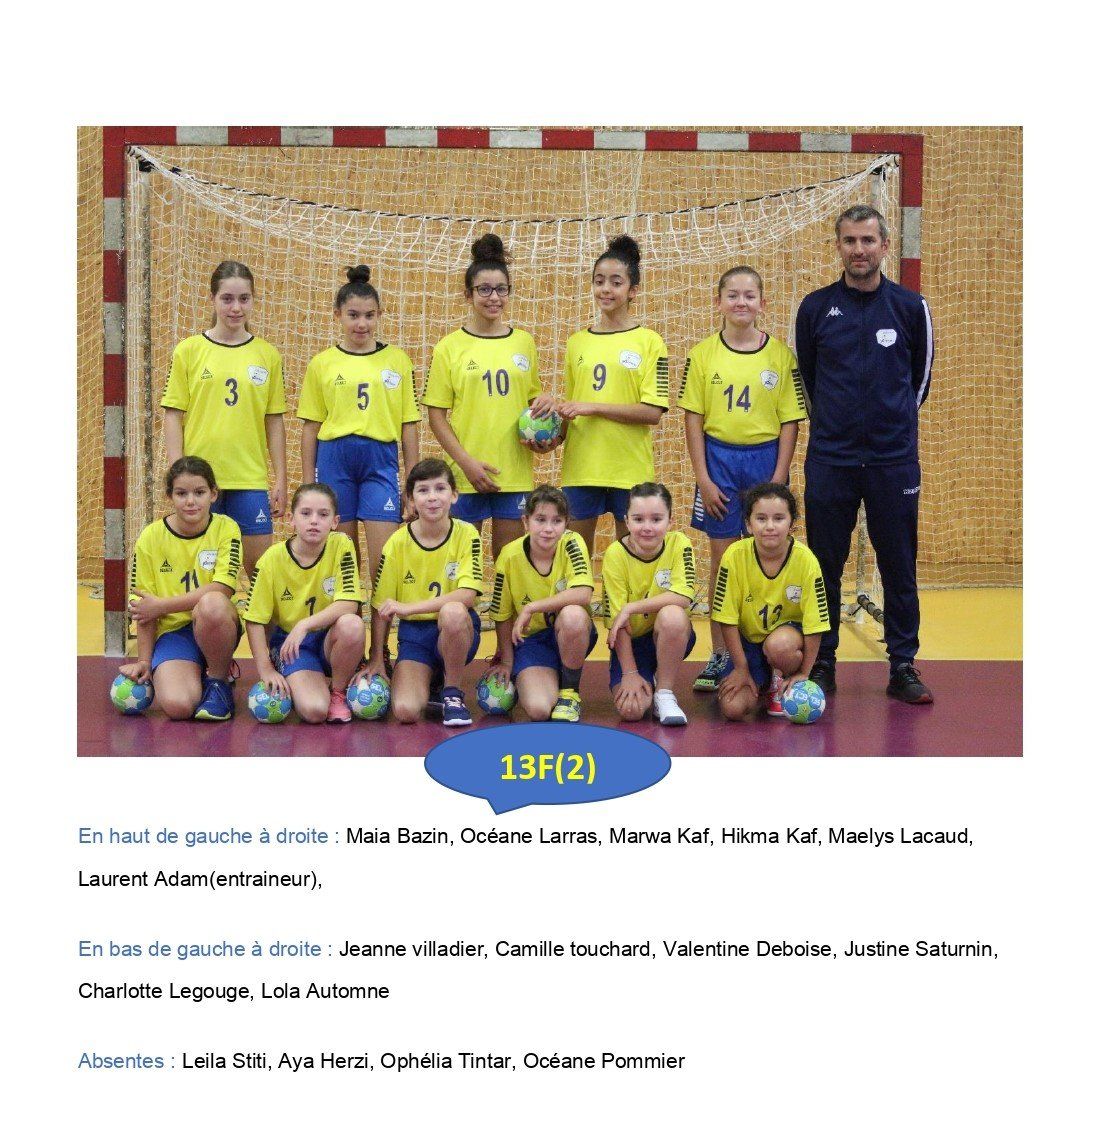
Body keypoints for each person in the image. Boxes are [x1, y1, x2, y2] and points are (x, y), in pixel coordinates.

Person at [795, 204, 934, 704]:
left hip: (893, 461)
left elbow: (920, 380)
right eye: (850, 241)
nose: (859, 250)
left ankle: (903, 664)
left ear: (884, 245)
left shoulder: (910, 307)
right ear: (838, 246)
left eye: (868, 240)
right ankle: (823, 661)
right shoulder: (814, 308)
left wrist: (890, 429)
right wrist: (836, 428)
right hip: (830, 459)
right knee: (823, 565)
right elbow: (808, 381)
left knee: (898, 563)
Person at [681, 266, 807, 692]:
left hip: (764, 460)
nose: (741, 302)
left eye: (750, 295)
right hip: (719, 461)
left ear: (762, 303)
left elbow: (790, 421)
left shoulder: (781, 356)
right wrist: (703, 477)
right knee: (723, 563)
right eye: (732, 295)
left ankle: (771, 654)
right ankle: (720, 654)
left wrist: (778, 478)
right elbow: (693, 419)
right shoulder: (702, 355)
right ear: (718, 302)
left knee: (768, 552)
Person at [423, 233, 556, 561]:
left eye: (501, 289)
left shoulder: (524, 342)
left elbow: (531, 404)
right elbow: (436, 415)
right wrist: (466, 463)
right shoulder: (448, 347)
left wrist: (546, 416)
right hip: (465, 475)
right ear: (468, 294)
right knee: (459, 565)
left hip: (513, 474)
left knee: (509, 565)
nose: (493, 297)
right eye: (484, 289)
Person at [161, 260, 287, 580]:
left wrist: (281, 478)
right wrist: (178, 474)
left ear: (253, 299)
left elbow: (274, 422)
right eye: (227, 299)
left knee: (260, 573)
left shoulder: (267, 355)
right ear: (213, 299)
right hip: (201, 482)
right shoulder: (189, 351)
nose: (236, 308)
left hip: (249, 479)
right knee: (201, 574)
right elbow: (173, 415)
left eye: (244, 299)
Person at [298, 265, 420, 589]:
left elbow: (409, 425)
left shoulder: (398, 360)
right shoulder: (321, 364)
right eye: (353, 315)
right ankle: (346, 619)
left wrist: (412, 480)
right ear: (337, 315)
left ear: (380, 314)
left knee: (385, 561)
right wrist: (307, 482)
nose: (361, 324)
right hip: (334, 460)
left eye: (369, 315)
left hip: (380, 461)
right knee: (344, 562)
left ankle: (381, 625)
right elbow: (310, 427)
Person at [559, 235, 669, 558]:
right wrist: (551, 436)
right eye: (599, 281)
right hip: (582, 466)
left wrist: (592, 407)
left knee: (633, 559)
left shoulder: (651, 342)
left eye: (616, 282)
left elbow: (652, 412)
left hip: (629, 469)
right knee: (576, 559)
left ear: (633, 290)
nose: (605, 289)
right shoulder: (577, 342)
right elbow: (572, 405)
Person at [120, 456, 243, 722]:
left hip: (215, 623)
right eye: (181, 493)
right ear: (170, 496)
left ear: (213, 494)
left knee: (212, 603)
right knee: (179, 706)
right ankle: (196, 669)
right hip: (173, 633)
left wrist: (161, 606)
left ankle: (219, 680)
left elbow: (223, 589)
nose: (190, 501)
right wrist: (144, 661)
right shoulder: (151, 537)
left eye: (199, 492)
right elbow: (143, 607)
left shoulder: (226, 528)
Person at [362, 458, 483, 727]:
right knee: (405, 711)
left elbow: (467, 595)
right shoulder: (397, 543)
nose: (432, 497)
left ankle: (452, 693)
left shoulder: (467, 534)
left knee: (453, 612)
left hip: (455, 629)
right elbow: (381, 605)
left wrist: (408, 607)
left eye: (440, 488)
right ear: (411, 500)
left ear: (454, 495)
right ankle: (433, 678)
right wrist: (377, 657)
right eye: (423, 490)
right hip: (415, 636)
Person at [242, 483, 365, 724]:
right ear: (291, 519)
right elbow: (254, 620)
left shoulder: (341, 545)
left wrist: (304, 625)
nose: (314, 521)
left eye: (323, 514)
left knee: (352, 624)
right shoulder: (271, 560)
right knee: (315, 710)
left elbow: (349, 603)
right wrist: (265, 669)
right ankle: (293, 671)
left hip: (329, 639)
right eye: (306, 513)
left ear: (335, 522)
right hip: (293, 645)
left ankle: (338, 692)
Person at [712, 483, 830, 721]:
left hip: (787, 642)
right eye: (761, 518)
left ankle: (783, 679)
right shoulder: (734, 556)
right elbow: (726, 618)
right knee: (733, 708)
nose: (770, 526)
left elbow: (816, 624)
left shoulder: (806, 561)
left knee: (779, 645)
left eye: (779, 518)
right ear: (748, 524)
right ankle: (762, 680)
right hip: (749, 643)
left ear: (791, 523)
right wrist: (741, 668)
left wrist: (804, 673)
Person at [484, 486, 597, 723]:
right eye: (540, 519)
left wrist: (532, 607)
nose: (548, 528)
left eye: (557, 521)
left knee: (573, 615)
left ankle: (570, 692)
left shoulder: (572, 542)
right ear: (526, 522)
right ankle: (541, 675)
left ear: (566, 523)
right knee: (539, 709)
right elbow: (501, 615)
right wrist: (507, 661)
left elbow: (584, 593)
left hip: (569, 632)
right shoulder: (509, 556)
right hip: (533, 642)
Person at [603, 482, 696, 726]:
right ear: (626, 521)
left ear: (670, 520)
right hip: (631, 642)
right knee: (632, 711)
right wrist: (630, 673)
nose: (647, 527)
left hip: (667, 634)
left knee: (673, 615)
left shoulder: (679, 543)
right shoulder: (615, 554)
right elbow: (617, 622)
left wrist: (632, 607)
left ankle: (664, 693)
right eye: (638, 519)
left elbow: (683, 596)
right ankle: (645, 676)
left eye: (656, 519)